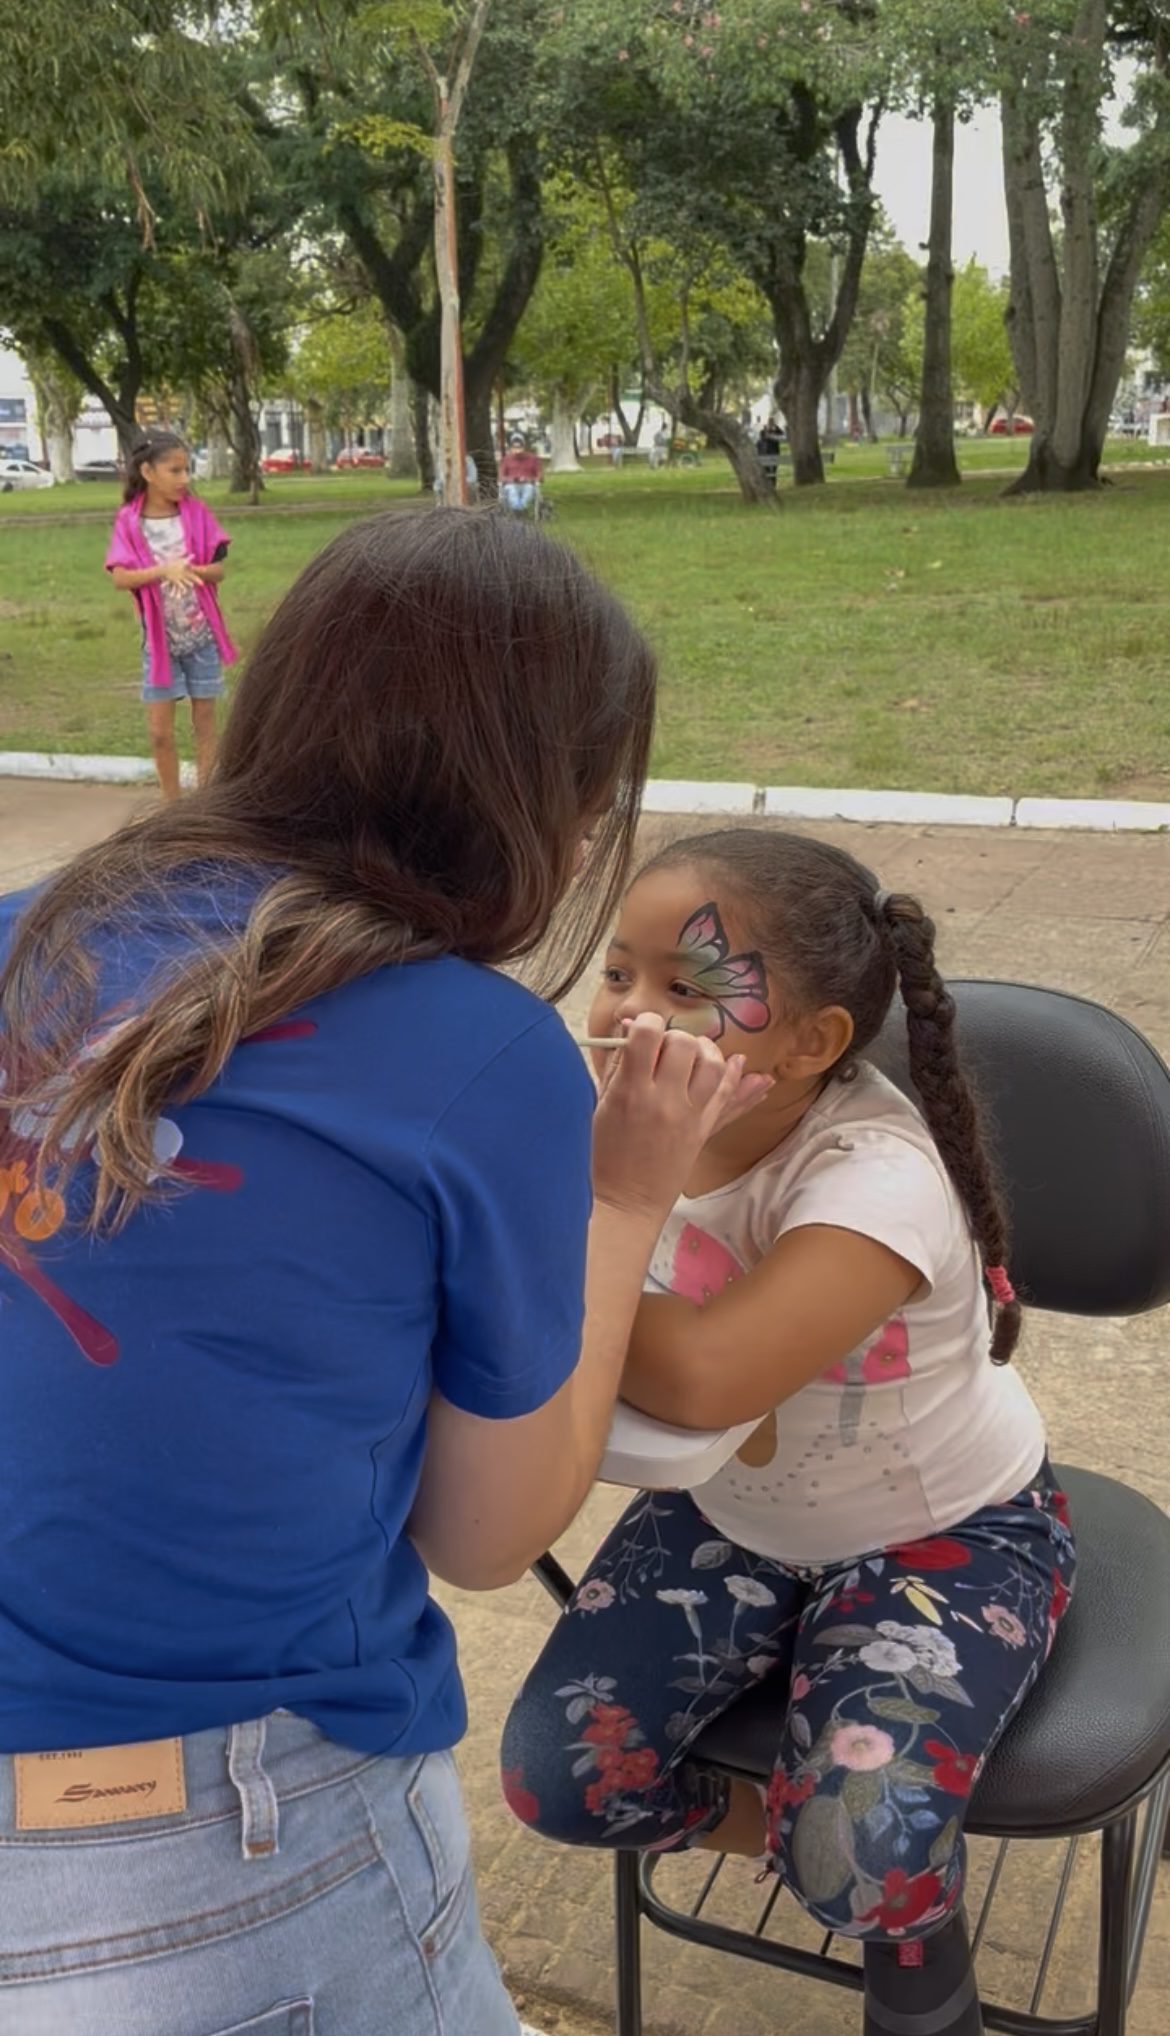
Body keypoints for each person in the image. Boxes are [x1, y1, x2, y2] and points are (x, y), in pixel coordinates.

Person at [0, 512, 768, 2036]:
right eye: (587, 810)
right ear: (533, 803)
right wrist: (627, 1194)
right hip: (226, 1845)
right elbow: (486, 1532)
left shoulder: (28, 936)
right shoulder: (477, 1053)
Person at [502, 829, 1076, 2036]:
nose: (631, 1013)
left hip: (945, 1535)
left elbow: (708, 1377)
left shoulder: (876, 1180)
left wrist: (600, 1226)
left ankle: (898, 1916)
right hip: (734, 1515)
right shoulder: (622, 1121)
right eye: (619, 972)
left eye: (689, 986)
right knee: (558, 1778)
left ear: (812, 1043)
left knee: (861, 1862)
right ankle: (804, 1842)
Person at [105, 430, 238, 802]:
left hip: (201, 638)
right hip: (160, 644)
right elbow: (120, 578)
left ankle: (206, 805)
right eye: (175, 470)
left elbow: (218, 571)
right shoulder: (129, 521)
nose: (184, 479)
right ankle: (172, 807)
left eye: (186, 470)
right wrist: (164, 570)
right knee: (160, 733)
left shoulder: (197, 514)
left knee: (205, 724)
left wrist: (192, 570)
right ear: (148, 472)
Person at [499, 432, 542, 512]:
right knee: (511, 489)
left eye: (519, 447)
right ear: (511, 448)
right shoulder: (506, 460)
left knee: (528, 488)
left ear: (524, 447)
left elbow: (540, 476)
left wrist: (530, 479)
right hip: (511, 484)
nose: (517, 450)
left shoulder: (533, 459)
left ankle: (520, 510)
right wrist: (511, 479)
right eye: (514, 447)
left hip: (528, 484)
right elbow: (501, 477)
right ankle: (519, 510)